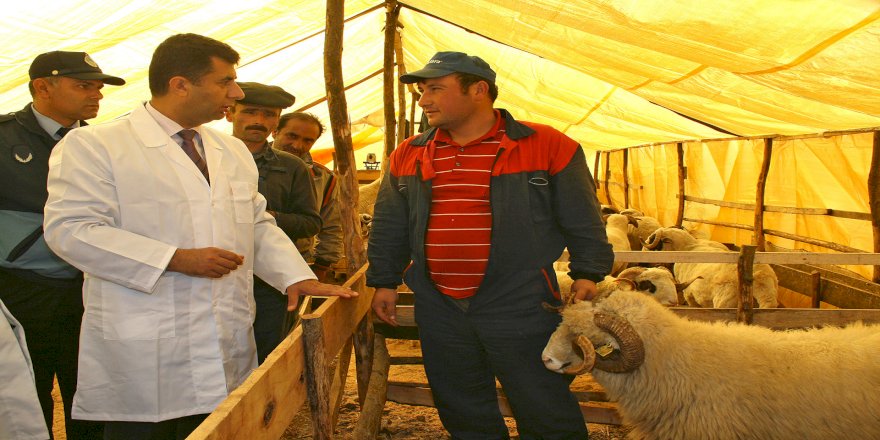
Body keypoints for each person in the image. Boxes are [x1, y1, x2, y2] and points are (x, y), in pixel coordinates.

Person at [43, 33, 357, 440]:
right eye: (225, 82)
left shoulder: (231, 151)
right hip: (147, 343)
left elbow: (255, 222)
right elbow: (71, 230)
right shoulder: (96, 145)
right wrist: (175, 258)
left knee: (218, 426)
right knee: (145, 431)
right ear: (180, 85)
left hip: (223, 335)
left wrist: (294, 276)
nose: (236, 93)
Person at [366, 51, 613, 439]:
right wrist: (383, 280)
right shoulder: (409, 153)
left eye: (435, 89)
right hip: (439, 302)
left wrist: (588, 271)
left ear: (479, 90)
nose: (424, 100)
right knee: (460, 402)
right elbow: (389, 223)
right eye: (421, 91)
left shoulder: (547, 144)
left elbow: (582, 216)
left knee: (542, 397)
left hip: (520, 297)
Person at [0, 50, 123, 439]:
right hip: (21, 290)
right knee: (27, 392)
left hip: (89, 289)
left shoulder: (106, 143)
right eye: (84, 86)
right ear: (43, 87)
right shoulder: (3, 137)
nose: (96, 95)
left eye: (99, 88)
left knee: (91, 391)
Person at [226, 81, 321, 363]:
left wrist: (265, 217)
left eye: (268, 114)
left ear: (276, 122)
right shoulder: (207, 157)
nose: (258, 120)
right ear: (229, 113)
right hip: (221, 274)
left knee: (267, 354)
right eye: (249, 111)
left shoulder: (292, 167)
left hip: (272, 282)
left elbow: (310, 222)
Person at [273, 112, 343, 282]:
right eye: (292, 136)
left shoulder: (324, 178)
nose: (297, 145)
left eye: (307, 140)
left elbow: (332, 226)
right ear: (274, 131)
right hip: (244, 259)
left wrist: (321, 266)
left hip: (297, 263)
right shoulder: (246, 164)